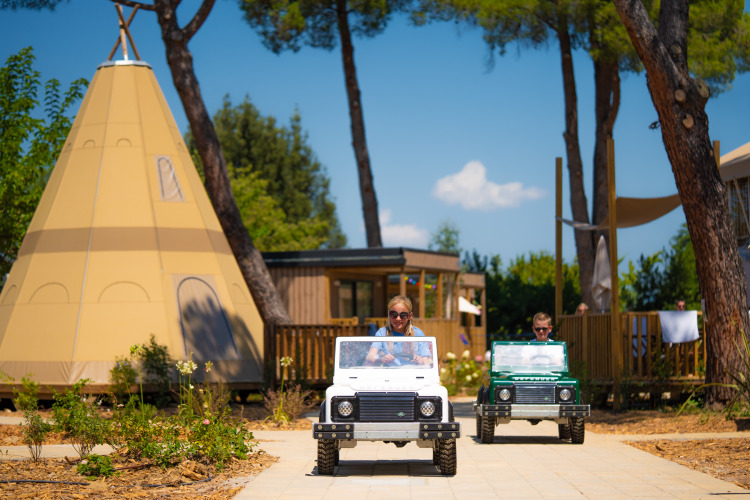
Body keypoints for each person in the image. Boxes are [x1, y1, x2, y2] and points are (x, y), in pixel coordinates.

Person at [366, 295, 431, 365]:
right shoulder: (382, 333)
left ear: (410, 316)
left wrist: (420, 360)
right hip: (390, 372)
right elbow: (370, 357)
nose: (398, 319)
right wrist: (382, 358)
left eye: (403, 315)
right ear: (389, 315)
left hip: (412, 371)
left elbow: (426, 362)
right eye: (394, 314)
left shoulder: (418, 333)